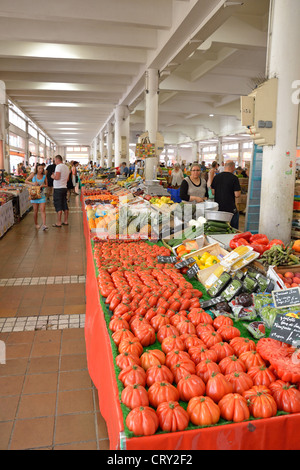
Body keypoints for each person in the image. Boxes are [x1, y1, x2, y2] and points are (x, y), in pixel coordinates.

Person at [211, 160, 241, 230]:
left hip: (218, 208)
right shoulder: (234, 178)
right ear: (233, 167)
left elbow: (213, 192)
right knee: (233, 229)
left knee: (220, 229)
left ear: (225, 166)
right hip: (230, 209)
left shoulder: (216, 177)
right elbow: (237, 194)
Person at [25, 163, 48, 230]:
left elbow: (47, 185)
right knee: (35, 210)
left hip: (42, 194)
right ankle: (36, 223)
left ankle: (44, 224)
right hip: (34, 195)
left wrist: (42, 186)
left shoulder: (44, 176)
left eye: (42, 168)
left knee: (42, 209)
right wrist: (33, 183)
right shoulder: (33, 175)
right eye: (39, 168)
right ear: (36, 169)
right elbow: (26, 181)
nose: (41, 170)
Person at [51, 155, 70, 227]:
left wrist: (53, 176)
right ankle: (65, 221)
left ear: (57, 159)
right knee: (64, 204)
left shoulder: (58, 166)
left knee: (58, 205)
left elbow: (57, 177)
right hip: (64, 187)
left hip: (58, 188)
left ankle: (58, 222)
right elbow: (67, 179)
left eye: (54, 160)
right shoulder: (66, 167)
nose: (54, 162)